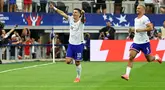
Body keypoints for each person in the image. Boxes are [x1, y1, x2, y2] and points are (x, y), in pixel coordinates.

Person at [121, 5, 162, 81]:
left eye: (139, 8)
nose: (137, 9)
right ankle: (127, 74)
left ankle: (156, 57)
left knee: (149, 59)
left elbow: (150, 28)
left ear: (143, 10)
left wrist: (141, 30)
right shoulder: (136, 19)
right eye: (136, 8)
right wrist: (132, 29)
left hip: (144, 42)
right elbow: (137, 29)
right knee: (131, 57)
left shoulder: (145, 18)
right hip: (136, 41)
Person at [49, 3, 85, 83]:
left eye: (76, 12)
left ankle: (78, 77)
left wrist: (83, 13)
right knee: (68, 61)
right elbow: (62, 13)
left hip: (79, 44)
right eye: (73, 12)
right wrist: (54, 8)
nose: (74, 13)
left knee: (78, 62)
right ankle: (73, 60)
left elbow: (83, 19)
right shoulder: (70, 19)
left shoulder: (81, 22)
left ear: (79, 14)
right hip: (71, 44)